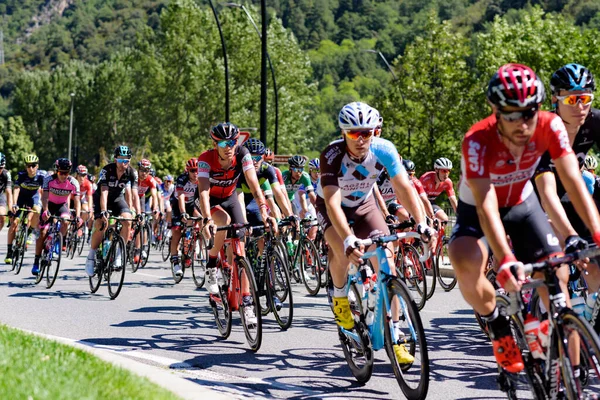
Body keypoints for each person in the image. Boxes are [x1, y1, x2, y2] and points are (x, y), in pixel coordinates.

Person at [448, 63, 600, 374]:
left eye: (528, 113)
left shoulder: (550, 126)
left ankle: (568, 374)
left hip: (521, 202)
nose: (522, 123)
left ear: (540, 107)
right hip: (478, 209)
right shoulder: (477, 140)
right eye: (511, 114)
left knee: (556, 276)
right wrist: (504, 258)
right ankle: (497, 324)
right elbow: (486, 204)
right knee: (463, 260)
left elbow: (572, 180)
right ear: (495, 110)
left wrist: (596, 234)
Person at [316, 101, 434, 364]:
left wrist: (422, 222)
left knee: (387, 263)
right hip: (332, 206)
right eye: (353, 133)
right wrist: (347, 239)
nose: (360, 139)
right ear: (343, 132)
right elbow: (333, 204)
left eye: (366, 133)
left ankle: (396, 335)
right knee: (343, 253)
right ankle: (340, 300)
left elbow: (404, 188)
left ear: (374, 132)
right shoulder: (332, 155)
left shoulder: (384, 150)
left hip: (364, 205)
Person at [198, 123, 276, 326]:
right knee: (222, 221)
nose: (228, 146)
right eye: (223, 143)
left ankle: (247, 302)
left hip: (231, 198)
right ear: (215, 143)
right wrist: (207, 218)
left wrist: (265, 211)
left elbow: (253, 184)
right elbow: (204, 192)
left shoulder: (243, 154)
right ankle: (211, 266)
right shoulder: (206, 159)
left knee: (241, 242)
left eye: (232, 142)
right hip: (213, 201)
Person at [85, 146, 141, 277]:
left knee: (127, 220)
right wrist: (103, 211)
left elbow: (134, 194)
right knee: (100, 224)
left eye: (126, 160)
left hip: (117, 198)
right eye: (121, 160)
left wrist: (138, 213)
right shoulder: (107, 170)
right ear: (115, 159)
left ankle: (119, 255)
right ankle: (91, 256)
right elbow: (104, 192)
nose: (124, 163)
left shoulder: (132, 173)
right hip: (101, 198)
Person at [34, 159, 81, 275]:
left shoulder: (73, 182)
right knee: (43, 232)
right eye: (61, 173)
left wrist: (78, 216)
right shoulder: (48, 180)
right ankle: (36, 261)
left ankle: (57, 244)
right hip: (49, 205)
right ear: (56, 171)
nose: (64, 176)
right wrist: (45, 210)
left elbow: (77, 201)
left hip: (62, 206)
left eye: (66, 173)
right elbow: (44, 197)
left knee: (65, 221)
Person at [6, 154, 44, 264]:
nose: (31, 168)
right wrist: (14, 204)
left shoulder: (41, 176)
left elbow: (43, 191)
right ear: (25, 166)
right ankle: (9, 252)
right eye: (28, 166)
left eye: (33, 165)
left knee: (37, 210)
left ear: (37, 166)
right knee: (14, 223)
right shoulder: (21, 175)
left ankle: (31, 231)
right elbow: (16, 189)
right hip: (21, 198)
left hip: (33, 197)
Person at [169, 158, 202, 277]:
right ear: (188, 171)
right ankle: (175, 261)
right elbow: (181, 197)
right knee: (177, 232)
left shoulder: (201, 179)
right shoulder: (182, 179)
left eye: (198, 170)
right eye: (193, 171)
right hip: (178, 205)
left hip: (192, 205)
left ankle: (193, 246)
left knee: (201, 220)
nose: (196, 173)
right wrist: (182, 212)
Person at [419, 157, 458, 222]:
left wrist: (460, 216)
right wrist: (432, 216)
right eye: (444, 171)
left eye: (448, 171)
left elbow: (453, 200)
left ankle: (440, 232)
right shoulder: (426, 179)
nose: (446, 174)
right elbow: (424, 200)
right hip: (419, 202)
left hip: (431, 203)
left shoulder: (448, 182)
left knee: (444, 219)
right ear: (436, 170)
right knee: (428, 221)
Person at [0, 153, 13, 236]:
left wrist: (10, 209)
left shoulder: (6, 174)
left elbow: (8, 192)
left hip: (0, 195)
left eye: (0, 168)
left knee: (2, 216)